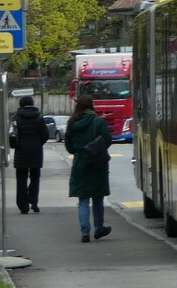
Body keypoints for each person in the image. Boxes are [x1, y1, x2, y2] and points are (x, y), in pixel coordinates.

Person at [65, 94, 112, 243]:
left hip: (80, 163)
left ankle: (85, 232)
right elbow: (108, 140)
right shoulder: (98, 121)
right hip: (97, 162)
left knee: (83, 199)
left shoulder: (72, 123)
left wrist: (79, 151)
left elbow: (69, 147)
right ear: (91, 105)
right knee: (98, 197)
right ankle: (99, 228)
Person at [11, 95, 49, 214]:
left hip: (21, 152)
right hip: (35, 152)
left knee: (21, 179)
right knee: (35, 177)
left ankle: (23, 206)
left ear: (21, 105)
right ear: (32, 104)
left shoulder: (16, 118)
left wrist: (16, 145)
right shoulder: (39, 118)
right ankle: (33, 201)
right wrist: (38, 143)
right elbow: (45, 135)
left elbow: (12, 135)